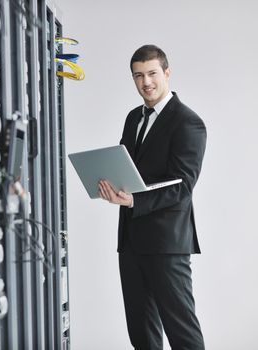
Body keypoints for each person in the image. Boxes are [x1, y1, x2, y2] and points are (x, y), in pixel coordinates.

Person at [98, 44, 206, 349]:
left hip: (166, 244)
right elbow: (125, 166)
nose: (146, 82)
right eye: (138, 76)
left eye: (152, 73)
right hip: (131, 240)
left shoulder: (188, 122)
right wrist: (108, 185)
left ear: (167, 73)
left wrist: (135, 200)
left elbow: (183, 186)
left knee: (181, 331)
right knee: (141, 333)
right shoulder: (133, 118)